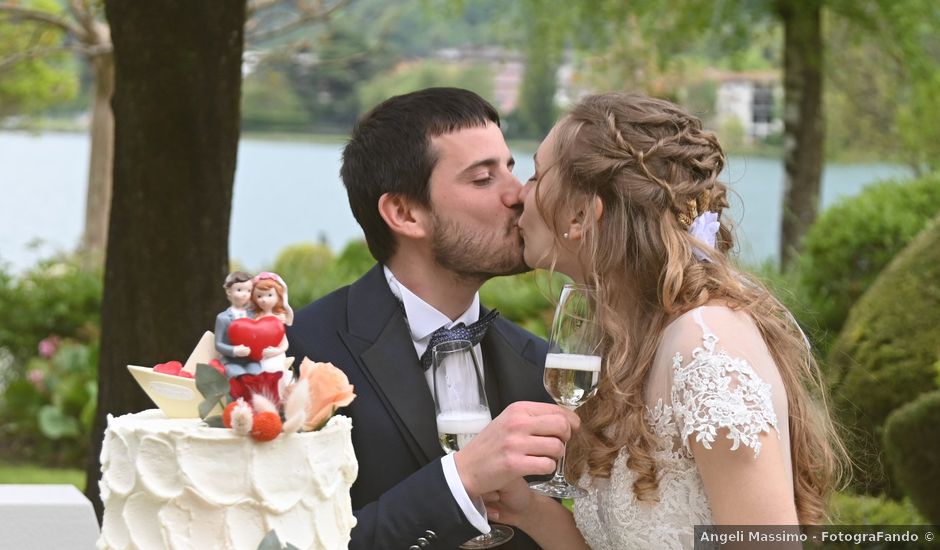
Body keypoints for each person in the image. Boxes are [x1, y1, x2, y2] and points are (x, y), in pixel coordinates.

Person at [487, 92, 846, 549]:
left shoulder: (705, 344)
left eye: (536, 174)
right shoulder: (621, 344)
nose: (519, 194)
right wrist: (530, 511)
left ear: (581, 214)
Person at [286, 87, 578, 550]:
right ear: (405, 213)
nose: (519, 195)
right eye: (483, 179)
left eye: (512, 168)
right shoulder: (297, 352)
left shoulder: (544, 366)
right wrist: (457, 483)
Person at [251, 271, 293, 393]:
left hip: (275, 356)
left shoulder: (278, 318)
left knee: (274, 373)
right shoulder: (255, 318)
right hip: (259, 356)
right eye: (259, 296)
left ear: (278, 296)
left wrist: (277, 351)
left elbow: (285, 343)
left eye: (269, 295)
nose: (264, 300)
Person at [214, 271, 261, 378]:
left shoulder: (253, 315)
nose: (244, 294)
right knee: (239, 376)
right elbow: (218, 344)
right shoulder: (223, 318)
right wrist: (234, 350)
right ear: (229, 291)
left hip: (251, 359)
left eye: (249, 290)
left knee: (257, 373)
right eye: (239, 290)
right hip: (231, 361)